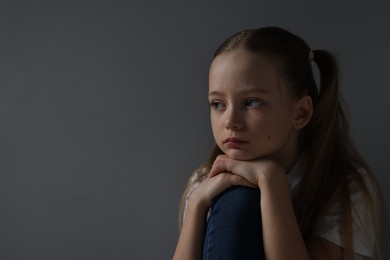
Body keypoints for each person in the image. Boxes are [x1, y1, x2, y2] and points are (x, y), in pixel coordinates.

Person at [172, 26, 388, 260]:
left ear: (301, 113)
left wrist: (272, 181)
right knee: (233, 198)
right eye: (217, 104)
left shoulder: (343, 186)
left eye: (252, 102)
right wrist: (196, 203)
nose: (230, 121)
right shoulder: (205, 181)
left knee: (238, 201)